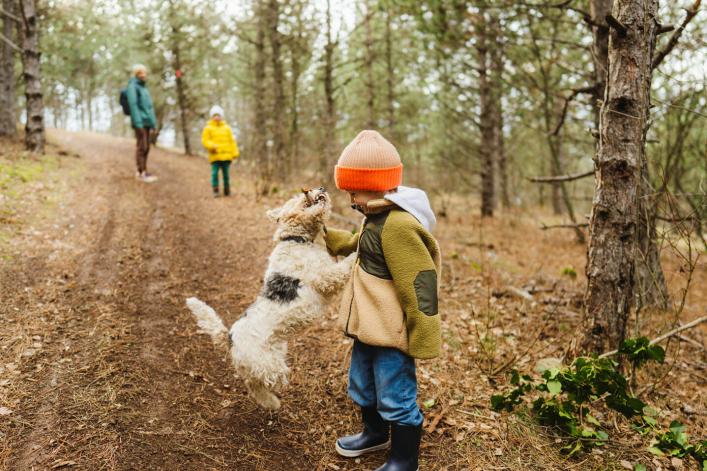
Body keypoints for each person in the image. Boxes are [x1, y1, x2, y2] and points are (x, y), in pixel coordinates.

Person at [324, 130, 441, 471]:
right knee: (362, 383)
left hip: (391, 331)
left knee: (395, 393)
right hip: (368, 326)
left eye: (353, 191)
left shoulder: (399, 225)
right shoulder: (375, 217)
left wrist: (424, 333)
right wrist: (325, 235)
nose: (350, 199)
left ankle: (404, 460)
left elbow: (421, 282)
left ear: (375, 185)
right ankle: (375, 433)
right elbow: (357, 242)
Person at [126, 64, 158, 183]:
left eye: (144, 73)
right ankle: (140, 172)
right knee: (142, 146)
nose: (143, 75)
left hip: (147, 122)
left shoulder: (144, 88)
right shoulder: (132, 86)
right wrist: (138, 123)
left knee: (147, 147)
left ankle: (144, 170)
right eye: (140, 73)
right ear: (136, 74)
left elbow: (149, 108)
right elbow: (133, 105)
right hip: (140, 122)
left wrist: (154, 123)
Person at [201, 105, 240, 197]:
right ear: (212, 116)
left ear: (221, 116)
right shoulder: (208, 128)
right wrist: (212, 146)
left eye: (218, 115)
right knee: (214, 174)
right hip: (215, 156)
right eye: (215, 115)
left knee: (226, 174)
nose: (216, 117)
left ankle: (227, 189)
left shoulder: (227, 128)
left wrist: (235, 153)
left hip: (226, 156)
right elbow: (205, 140)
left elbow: (232, 141)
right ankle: (215, 190)